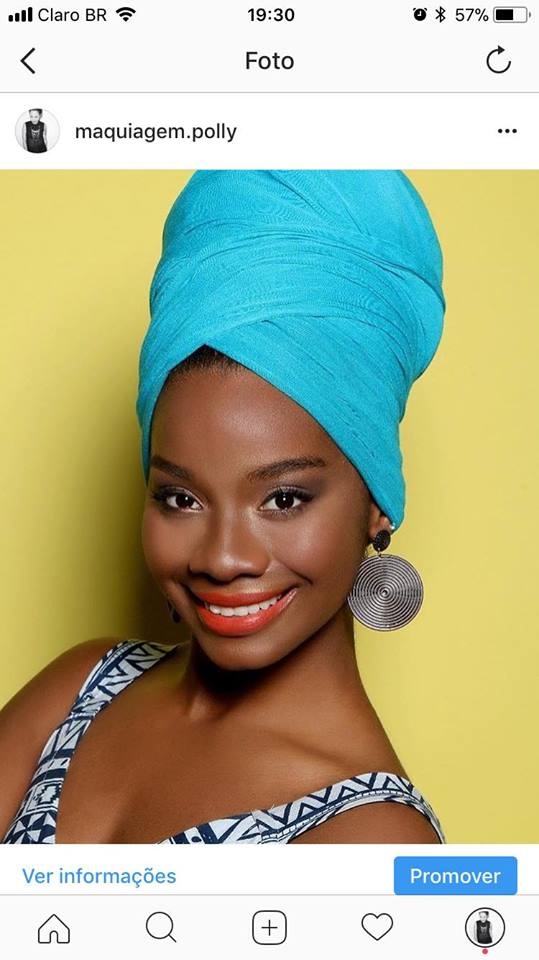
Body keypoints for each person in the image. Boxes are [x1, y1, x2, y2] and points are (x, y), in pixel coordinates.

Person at [0, 170, 446, 844]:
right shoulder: (81, 688)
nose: (221, 557)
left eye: (283, 499)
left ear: (377, 504)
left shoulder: (371, 840)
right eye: (180, 498)